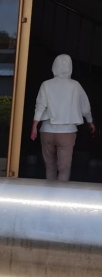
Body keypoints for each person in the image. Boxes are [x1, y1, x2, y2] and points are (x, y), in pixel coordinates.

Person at [31, 54, 95, 182]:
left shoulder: (46, 85)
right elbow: (85, 107)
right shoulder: (75, 85)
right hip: (67, 133)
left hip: (47, 131)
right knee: (64, 168)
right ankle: (61, 192)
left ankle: (49, 191)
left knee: (50, 167)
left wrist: (34, 127)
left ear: (54, 66)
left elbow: (40, 106)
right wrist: (90, 122)